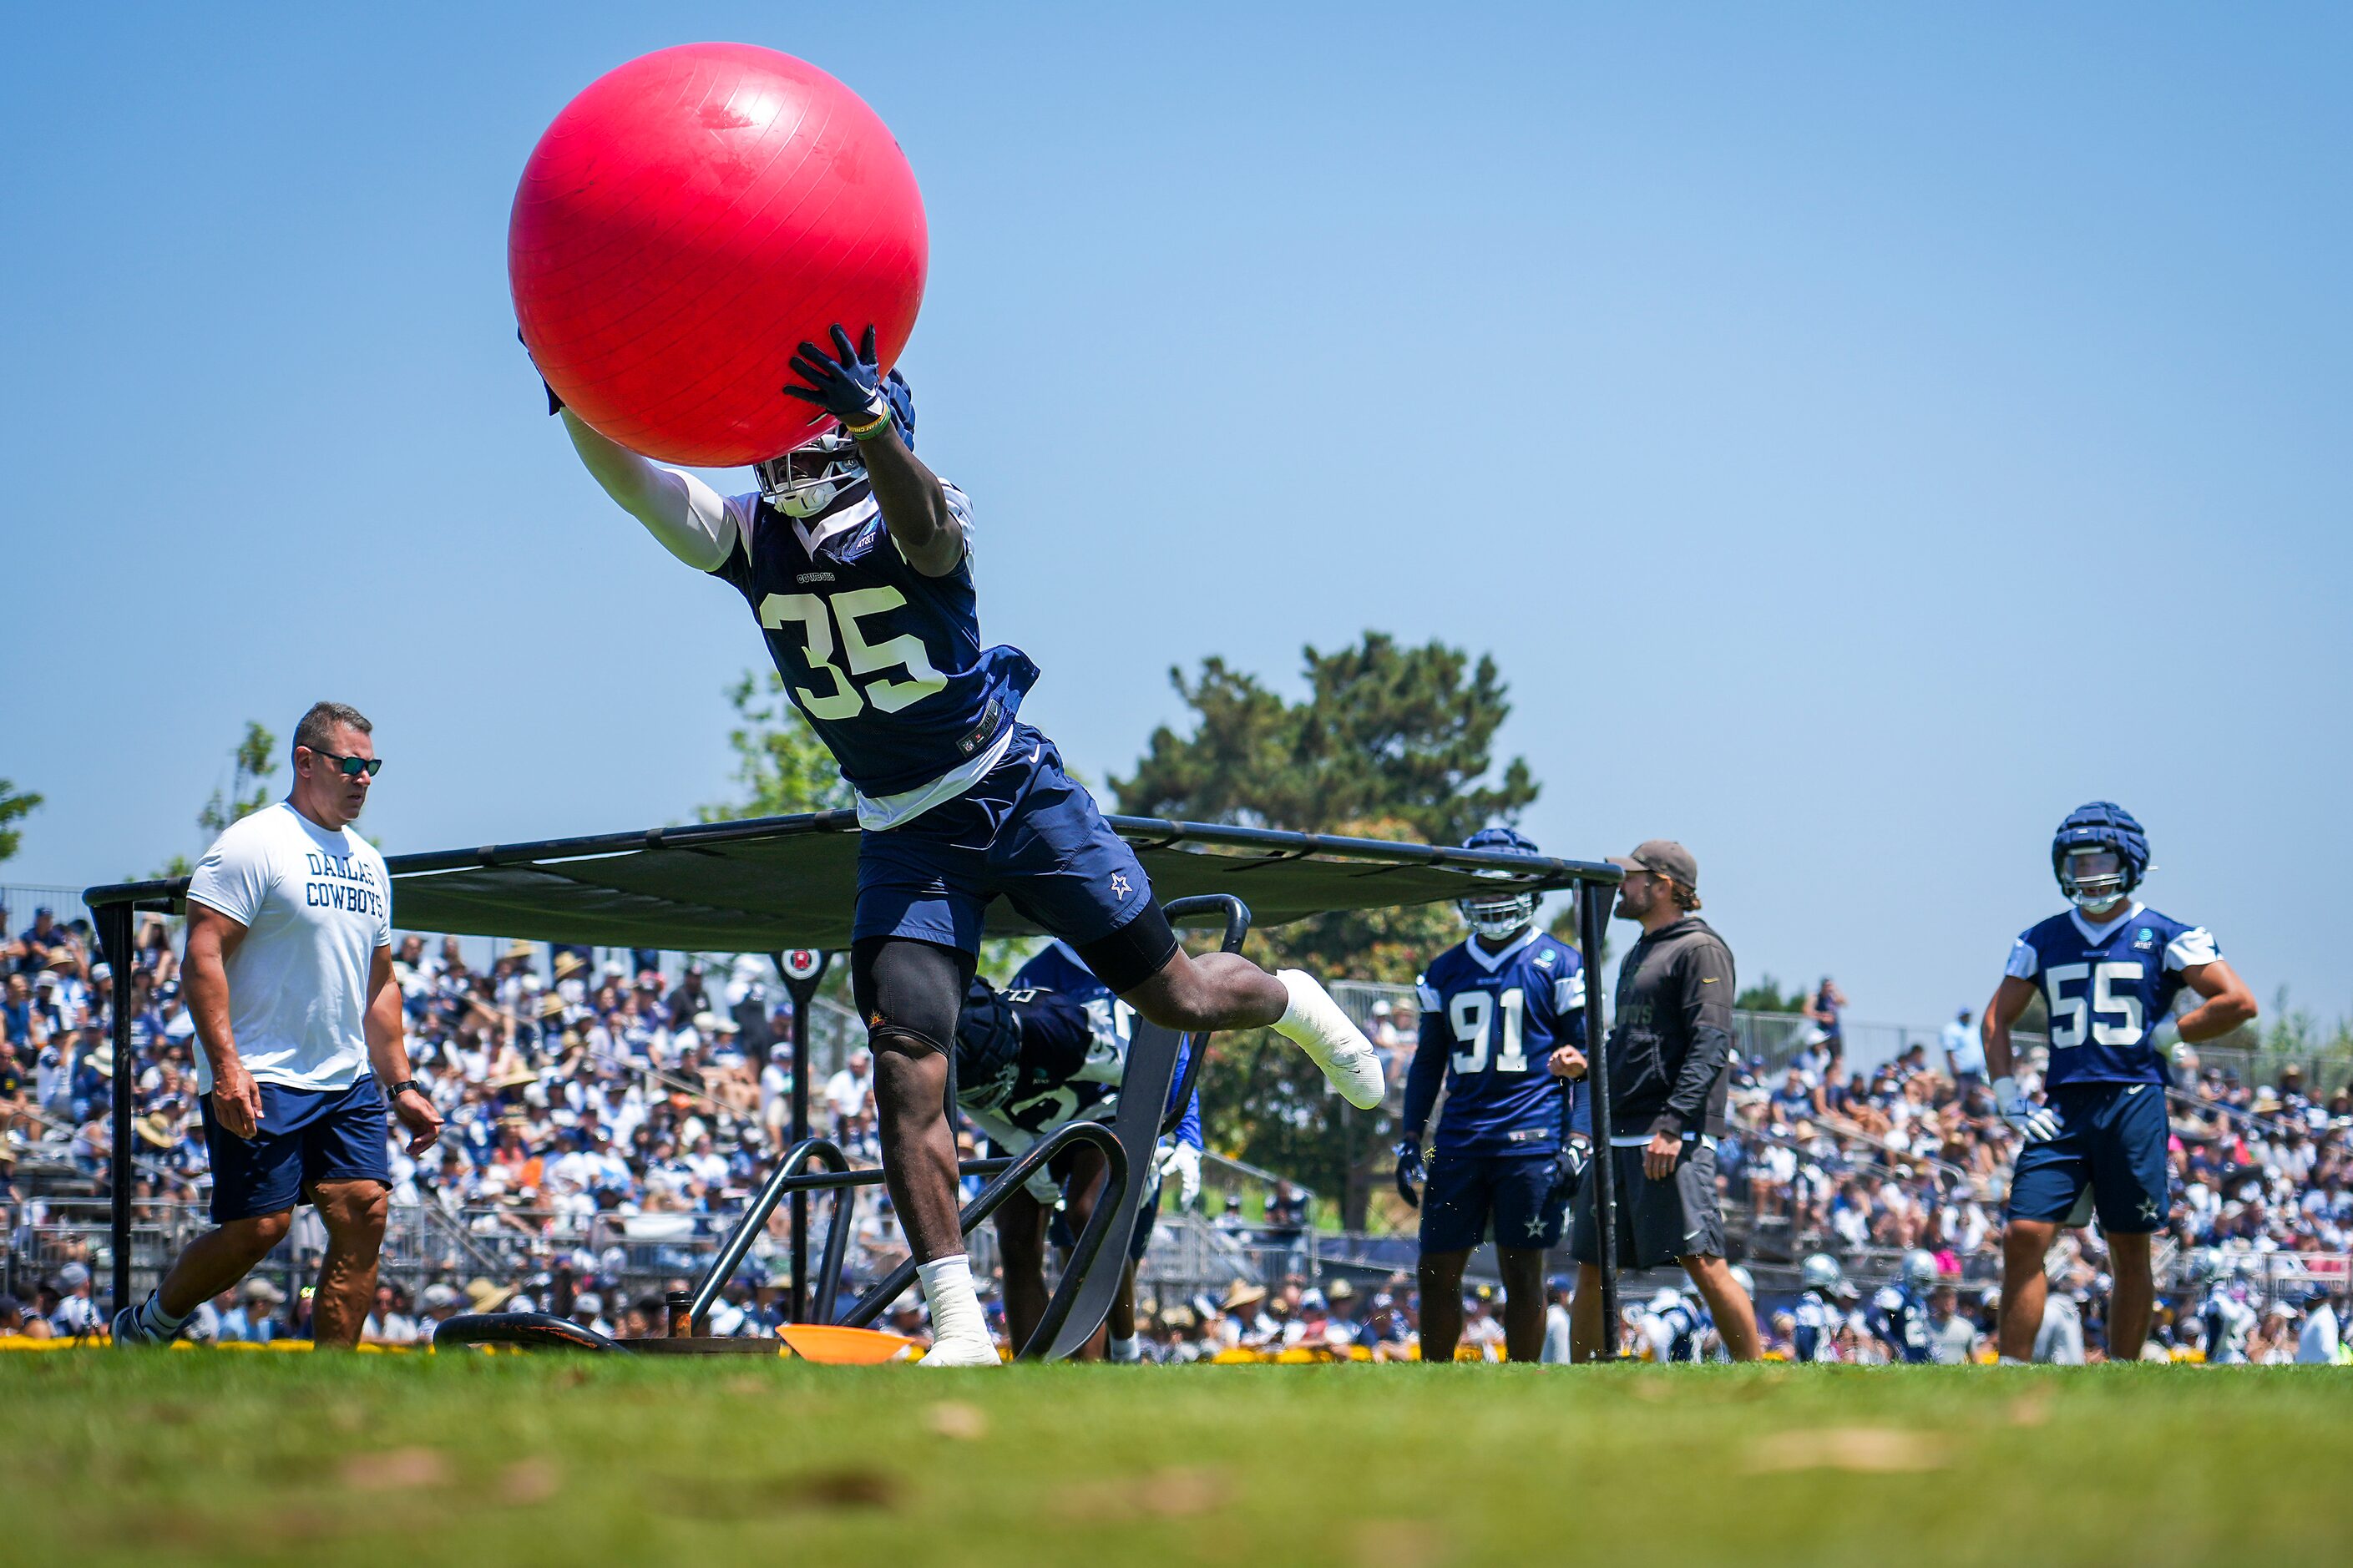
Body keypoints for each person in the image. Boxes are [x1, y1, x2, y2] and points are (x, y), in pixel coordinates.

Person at [542, 326, 1382, 1365]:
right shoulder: (754, 536)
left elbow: (929, 532)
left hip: (1011, 791)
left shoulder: (923, 503)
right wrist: (580, 399)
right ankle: (957, 1325)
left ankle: (1289, 995)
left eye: (822, 437)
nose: (791, 459)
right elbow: (644, 492)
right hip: (903, 830)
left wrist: (873, 431)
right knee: (906, 1061)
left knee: (1177, 996)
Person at [114, 703, 443, 1348]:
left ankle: (331, 1382)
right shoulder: (253, 843)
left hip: (344, 1080)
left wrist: (401, 1087)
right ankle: (148, 1326)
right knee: (259, 1230)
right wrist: (227, 1067)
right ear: (306, 762)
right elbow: (202, 955)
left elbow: (379, 984)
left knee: (365, 1212)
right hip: (261, 1073)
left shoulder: (370, 865)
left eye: (371, 767)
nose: (364, 779)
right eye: (351, 765)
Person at [1981, 802, 2257, 1363]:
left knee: (2128, 1247)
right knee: (2023, 1235)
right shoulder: (2041, 938)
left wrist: (2170, 1033)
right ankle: (2009, 1370)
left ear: (2130, 863)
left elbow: (2237, 1001)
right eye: (2077, 862)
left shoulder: (2168, 934)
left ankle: (2123, 1371)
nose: (2088, 873)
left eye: (2101, 860)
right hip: (2062, 1105)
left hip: (2133, 1100)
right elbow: (1996, 1019)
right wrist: (2008, 1095)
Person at [949, 940, 1203, 1362]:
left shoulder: (1058, 1026)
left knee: (1088, 1217)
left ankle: (1125, 1350)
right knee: (1015, 1239)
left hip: (1095, 1106)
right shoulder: (960, 1050)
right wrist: (1023, 1146)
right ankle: (1033, 1367)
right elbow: (970, 1100)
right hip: (1019, 1123)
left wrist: (1165, 1136)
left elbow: (1140, 1070)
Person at [1394, 827, 1588, 1363]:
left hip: (1530, 1140)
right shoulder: (1445, 969)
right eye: (1480, 885)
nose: (1491, 897)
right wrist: (1410, 1139)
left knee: (1523, 1274)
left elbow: (1589, 1061)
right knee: (1434, 1270)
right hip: (1460, 1139)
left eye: (1503, 885)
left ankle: (1524, 1380)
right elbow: (1429, 1062)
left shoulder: (1561, 964)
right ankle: (1436, 1378)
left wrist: (1578, 1139)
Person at [1568, 841, 1760, 1362]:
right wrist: (1588, 1064)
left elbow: (1710, 1043)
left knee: (1702, 1260)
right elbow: (1633, 1043)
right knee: (1591, 1262)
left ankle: (1757, 1372)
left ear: (1665, 885)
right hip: (1618, 1131)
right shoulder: (1639, 951)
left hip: (1668, 1133)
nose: (1622, 887)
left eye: (1632, 877)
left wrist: (1674, 1126)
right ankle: (1582, 1379)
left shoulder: (1701, 948)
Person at [1868, 1249, 1938, 1364]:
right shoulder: (1896, 1294)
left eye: (1927, 1281)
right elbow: (1872, 1317)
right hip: (1905, 1357)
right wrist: (1892, 1342)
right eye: (1922, 1281)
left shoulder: (1919, 1300)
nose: (1925, 1286)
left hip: (1920, 1356)